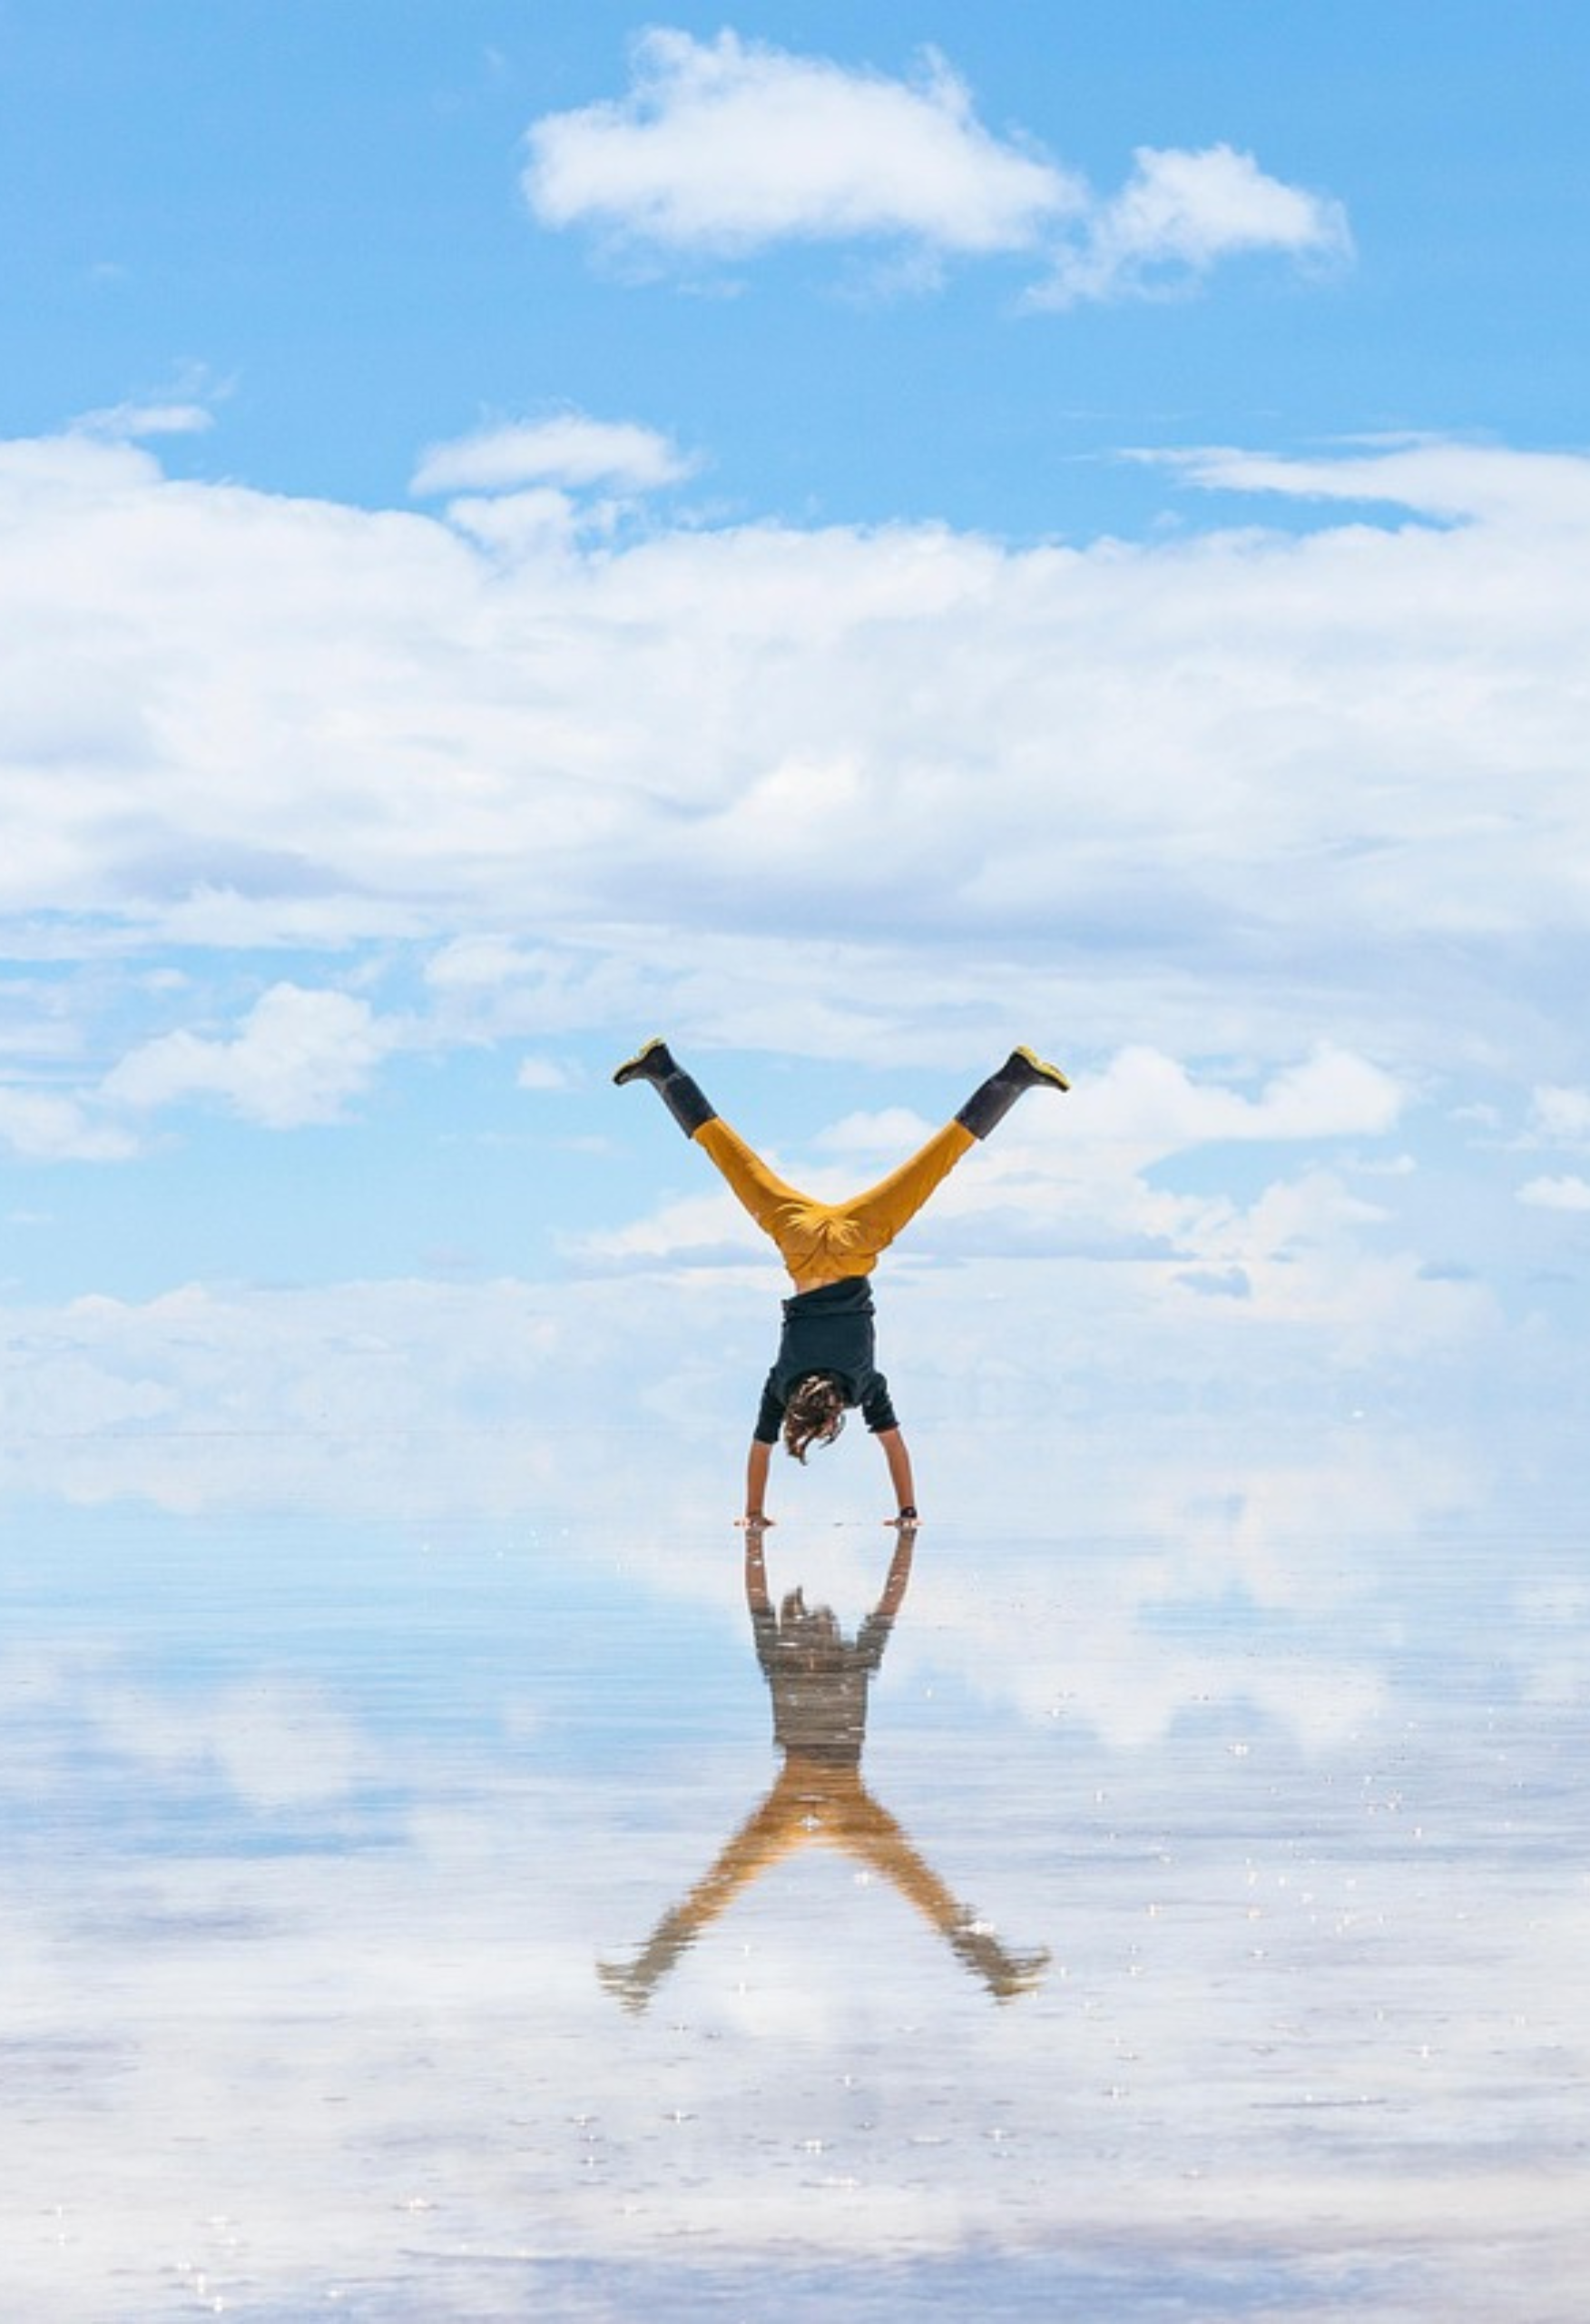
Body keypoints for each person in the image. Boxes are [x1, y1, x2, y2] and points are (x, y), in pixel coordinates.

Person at [613, 1037, 1070, 1525]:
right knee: (729, 1155)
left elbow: (894, 1447)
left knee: (939, 1158)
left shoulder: (862, 1387)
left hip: (857, 1243)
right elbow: (760, 1450)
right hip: (799, 1240)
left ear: (831, 1418)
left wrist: (908, 1512)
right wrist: (752, 1512)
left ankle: (1015, 1076)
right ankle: (664, 1070)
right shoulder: (782, 1386)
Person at [596, 1524, 1049, 2013]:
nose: (819, 1632)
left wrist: (905, 1539)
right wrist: (752, 1540)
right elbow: (758, 1596)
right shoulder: (783, 1656)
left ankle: (997, 1973)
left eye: (824, 1627)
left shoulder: (849, 1657)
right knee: (724, 1883)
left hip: (842, 1796)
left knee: (919, 1885)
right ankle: (646, 1975)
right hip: (796, 1796)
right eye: (813, 1627)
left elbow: (888, 1601)